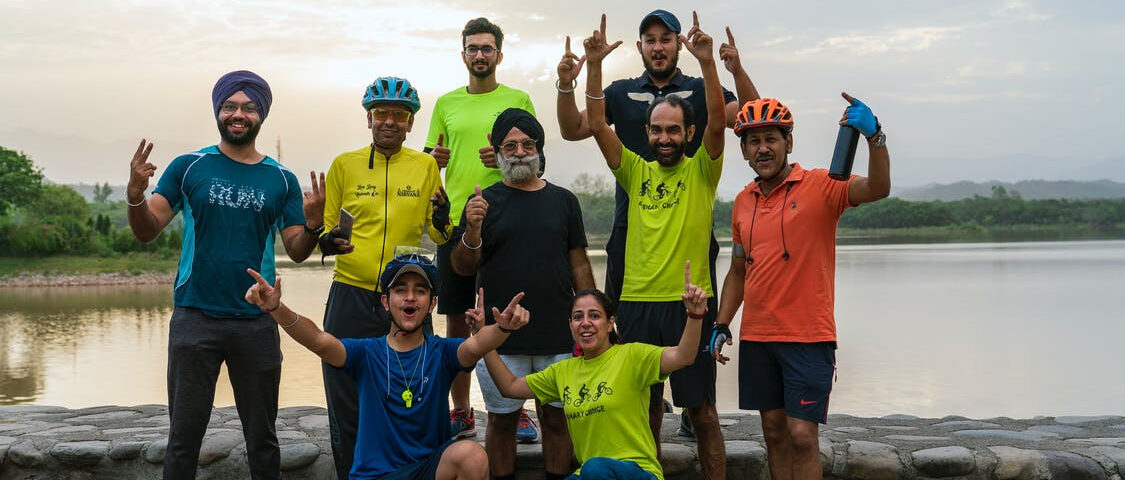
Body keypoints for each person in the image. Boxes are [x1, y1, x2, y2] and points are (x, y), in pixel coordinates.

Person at [556, 8, 759, 438]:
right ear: (640, 47)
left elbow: (740, 116)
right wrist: (580, 74)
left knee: (699, 390)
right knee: (637, 378)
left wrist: (718, 64)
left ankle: (691, 405)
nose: (658, 45)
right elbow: (583, 126)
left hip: (689, 239)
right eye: (650, 39)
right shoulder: (623, 100)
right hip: (633, 242)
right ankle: (614, 414)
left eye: (666, 38)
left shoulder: (699, 103)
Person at [125, 70, 324, 479]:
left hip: (256, 321)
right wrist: (134, 196)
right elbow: (147, 231)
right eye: (230, 106)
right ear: (217, 111)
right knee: (184, 438)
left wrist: (314, 224)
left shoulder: (281, 179)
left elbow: (298, 251)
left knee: (263, 439)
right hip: (195, 317)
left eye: (248, 108)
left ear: (260, 116)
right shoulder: (189, 166)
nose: (238, 114)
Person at [711, 95, 890, 480]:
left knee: (802, 435)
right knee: (773, 433)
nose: (763, 148)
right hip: (759, 337)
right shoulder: (743, 202)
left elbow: (878, 188)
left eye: (771, 139)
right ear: (743, 149)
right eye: (753, 141)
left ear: (788, 143)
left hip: (808, 337)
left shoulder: (823, 186)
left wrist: (875, 138)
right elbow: (740, 271)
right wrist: (721, 323)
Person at [580, 12, 727, 479]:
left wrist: (706, 63)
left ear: (688, 133)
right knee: (647, 414)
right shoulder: (634, 171)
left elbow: (720, 122)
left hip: (690, 305)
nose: (665, 138)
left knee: (702, 413)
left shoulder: (703, 170)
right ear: (646, 135)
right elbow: (600, 124)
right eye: (657, 131)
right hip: (638, 303)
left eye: (674, 130)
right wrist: (595, 66)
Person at [243, 253, 528, 480]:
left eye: (420, 291)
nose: (409, 297)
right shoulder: (366, 353)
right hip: (375, 475)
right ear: (385, 301)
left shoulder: (442, 352)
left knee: (472, 456)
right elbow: (318, 340)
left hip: (428, 469)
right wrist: (277, 309)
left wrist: (502, 328)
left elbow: (477, 345)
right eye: (400, 290)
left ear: (431, 304)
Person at [316, 76, 453, 479]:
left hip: (406, 298)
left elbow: (440, 233)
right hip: (352, 293)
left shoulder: (425, 165)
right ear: (369, 119)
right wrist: (329, 240)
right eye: (381, 114)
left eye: (399, 115)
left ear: (411, 124)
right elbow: (327, 234)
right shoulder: (345, 164)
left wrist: (445, 221)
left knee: (418, 399)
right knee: (345, 400)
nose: (389, 122)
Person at [450, 108, 595, 480]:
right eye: (510, 145)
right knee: (501, 420)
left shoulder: (564, 201)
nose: (519, 152)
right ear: (497, 152)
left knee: (557, 418)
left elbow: (578, 263)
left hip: (557, 333)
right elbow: (465, 267)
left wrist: (593, 312)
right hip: (499, 337)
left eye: (527, 144)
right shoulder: (484, 202)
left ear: (539, 150)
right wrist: (472, 227)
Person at [478, 262, 708, 480]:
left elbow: (683, 356)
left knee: (595, 467)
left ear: (610, 324)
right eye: (578, 317)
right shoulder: (563, 371)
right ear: (570, 326)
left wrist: (695, 316)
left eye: (595, 316)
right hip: (592, 474)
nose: (585, 322)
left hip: (639, 472)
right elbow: (509, 387)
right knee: (592, 470)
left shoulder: (633, 356)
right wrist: (483, 336)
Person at [425, 16, 538, 440]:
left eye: (487, 48)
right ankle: (461, 410)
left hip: (508, 219)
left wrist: (505, 158)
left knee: (507, 316)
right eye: (472, 48)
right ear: (463, 54)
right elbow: (429, 160)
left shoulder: (519, 99)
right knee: (456, 321)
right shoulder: (446, 103)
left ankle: (516, 408)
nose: (479, 54)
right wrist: (434, 163)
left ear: (499, 54)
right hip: (457, 225)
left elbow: (533, 154)